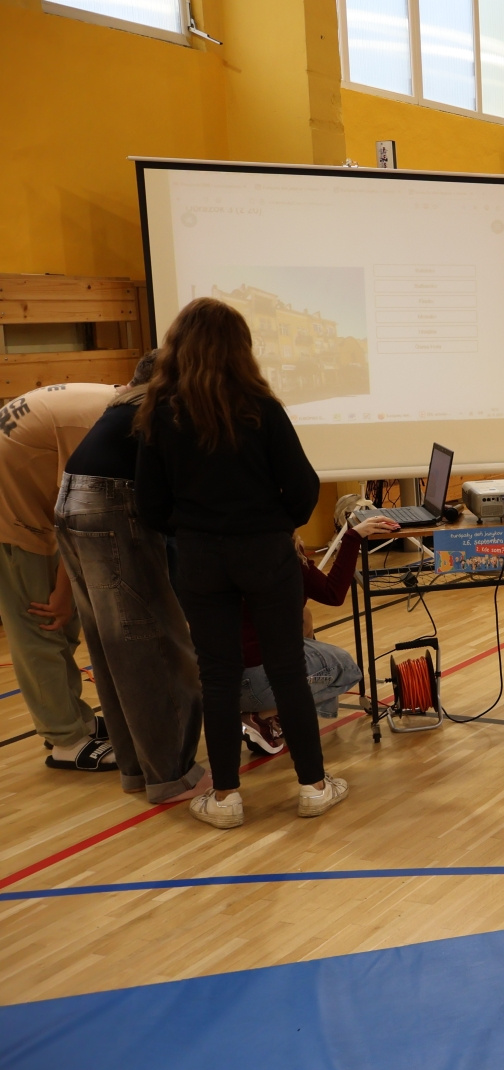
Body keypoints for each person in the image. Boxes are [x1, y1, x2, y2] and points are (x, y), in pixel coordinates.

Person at [134, 296, 343, 829]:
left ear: (179, 348)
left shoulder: (161, 413)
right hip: (265, 551)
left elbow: (149, 507)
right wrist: (274, 523)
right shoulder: (260, 408)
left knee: (218, 676)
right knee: (288, 669)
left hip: (201, 555)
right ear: (240, 349)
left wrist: (193, 529)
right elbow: (304, 489)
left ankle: (225, 797)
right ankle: (314, 787)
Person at [55, 353, 209, 802]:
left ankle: (138, 769)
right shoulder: (162, 408)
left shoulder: (121, 406)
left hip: (71, 502)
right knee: (154, 645)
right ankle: (170, 775)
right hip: (110, 509)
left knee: (111, 648)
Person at [0, 381, 118, 772]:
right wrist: (64, 594)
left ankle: (72, 719)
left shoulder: (111, 405)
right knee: (41, 625)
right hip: (11, 518)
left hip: (29, 503)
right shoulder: (97, 427)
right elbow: (77, 517)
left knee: (61, 626)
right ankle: (67, 739)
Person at [239, 517, 397, 755]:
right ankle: (262, 715)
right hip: (257, 683)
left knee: (304, 617)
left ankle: (272, 715)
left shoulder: (227, 551)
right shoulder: (283, 552)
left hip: (221, 684)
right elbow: (333, 593)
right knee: (347, 670)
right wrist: (353, 537)